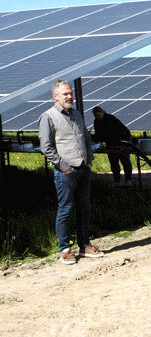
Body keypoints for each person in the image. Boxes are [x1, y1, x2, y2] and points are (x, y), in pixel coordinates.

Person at [40, 79, 105, 265]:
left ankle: (85, 245)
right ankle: (65, 249)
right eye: (65, 94)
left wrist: (90, 160)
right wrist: (63, 166)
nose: (69, 96)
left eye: (70, 93)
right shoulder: (49, 116)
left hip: (84, 167)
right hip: (65, 172)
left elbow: (86, 137)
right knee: (66, 209)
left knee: (84, 207)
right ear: (55, 96)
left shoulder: (77, 113)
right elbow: (46, 147)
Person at [92, 106, 133, 185]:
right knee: (114, 162)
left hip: (122, 139)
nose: (98, 117)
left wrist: (120, 144)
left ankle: (128, 179)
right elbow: (98, 135)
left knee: (125, 160)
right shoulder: (96, 122)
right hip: (111, 143)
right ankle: (117, 180)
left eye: (99, 115)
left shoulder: (110, 119)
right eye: (96, 116)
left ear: (102, 113)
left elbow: (118, 132)